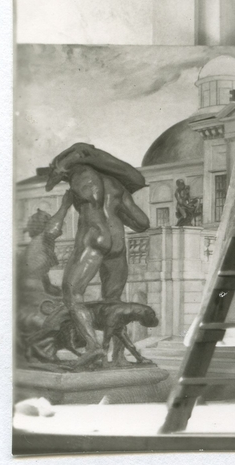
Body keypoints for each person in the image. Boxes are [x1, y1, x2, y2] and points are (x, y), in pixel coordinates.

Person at [39, 143, 151, 369]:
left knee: (72, 294)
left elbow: (53, 187)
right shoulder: (116, 184)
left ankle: (93, 347)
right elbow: (142, 223)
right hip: (117, 243)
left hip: (94, 237)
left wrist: (65, 198)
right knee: (114, 304)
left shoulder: (79, 176)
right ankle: (118, 357)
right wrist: (115, 214)